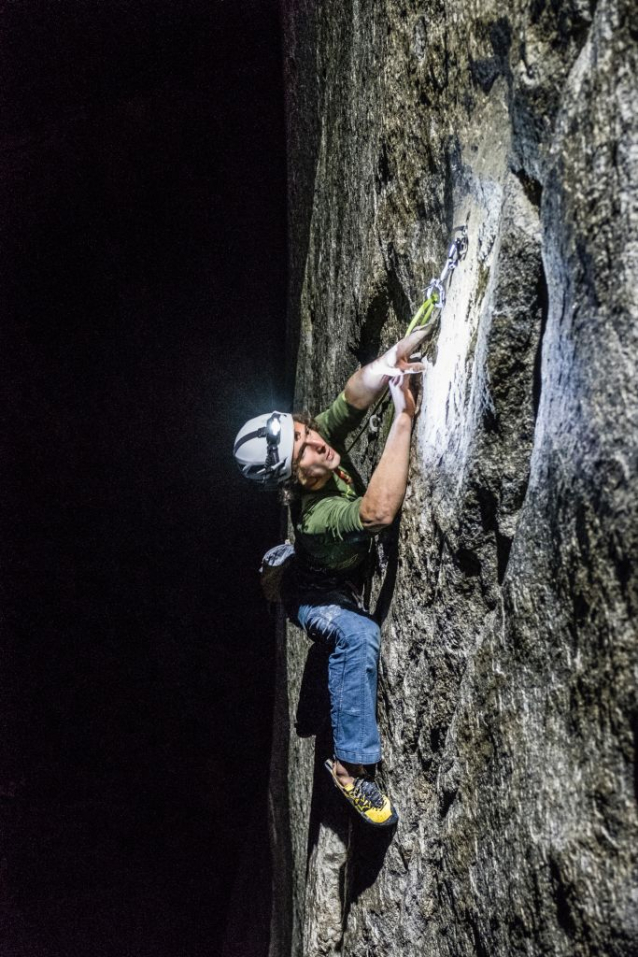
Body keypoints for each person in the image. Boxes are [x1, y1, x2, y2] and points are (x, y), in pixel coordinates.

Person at [233, 324, 436, 826]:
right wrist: (403, 417)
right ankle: (349, 768)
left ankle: (318, 693)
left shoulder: (320, 442)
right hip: (315, 593)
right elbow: (375, 514)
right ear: (290, 481)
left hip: (327, 570)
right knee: (356, 634)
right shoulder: (314, 518)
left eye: (305, 434)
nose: (317, 445)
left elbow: (350, 399)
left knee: (347, 631)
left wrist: (391, 357)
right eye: (302, 453)